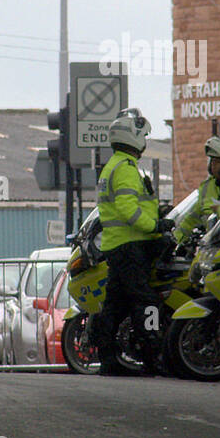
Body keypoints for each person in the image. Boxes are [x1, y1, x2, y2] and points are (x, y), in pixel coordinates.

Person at [90, 108, 170, 376]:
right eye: (143, 136)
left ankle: (108, 359)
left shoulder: (113, 166)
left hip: (117, 246)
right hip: (130, 246)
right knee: (147, 301)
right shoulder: (124, 168)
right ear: (133, 137)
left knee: (115, 304)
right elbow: (127, 209)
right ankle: (152, 355)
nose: (145, 141)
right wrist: (155, 226)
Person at [174, 135, 220, 245]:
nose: (212, 166)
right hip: (210, 246)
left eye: (217, 162)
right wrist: (175, 240)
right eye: (212, 161)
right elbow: (192, 218)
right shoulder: (207, 186)